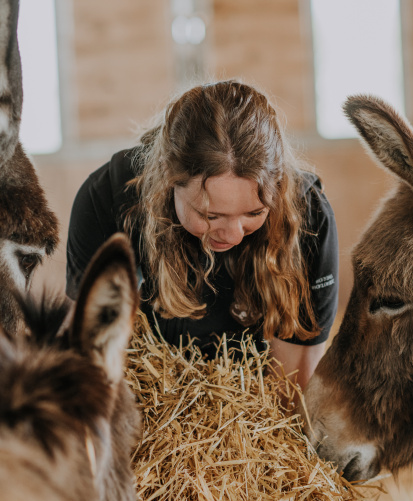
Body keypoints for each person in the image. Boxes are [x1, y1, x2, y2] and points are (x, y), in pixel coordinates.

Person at [66, 80, 338, 392]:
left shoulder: (308, 216)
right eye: (211, 216)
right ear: (169, 180)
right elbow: (89, 347)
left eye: (254, 213)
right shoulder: (107, 198)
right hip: (150, 390)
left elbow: (295, 380)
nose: (233, 235)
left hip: (254, 393)